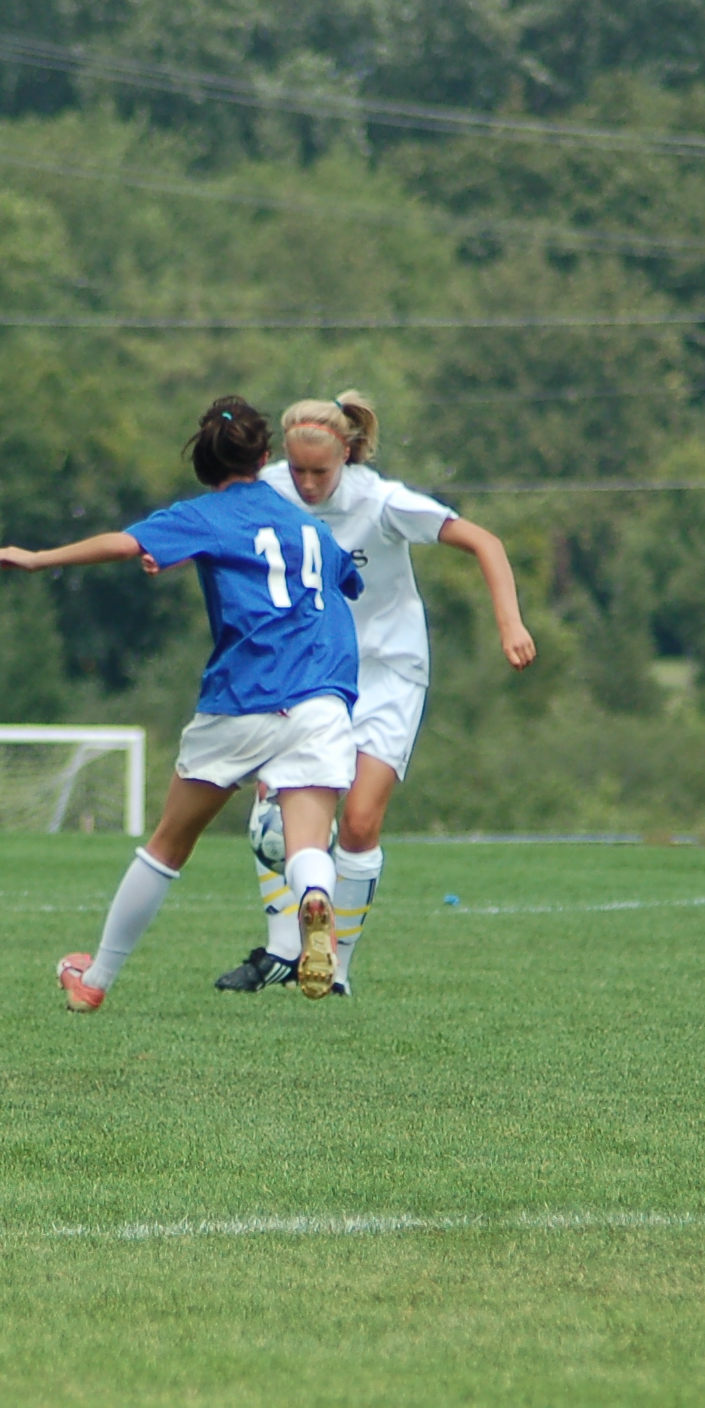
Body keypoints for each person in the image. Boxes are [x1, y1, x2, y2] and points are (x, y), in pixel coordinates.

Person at [0, 396, 363, 1010]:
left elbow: (122, 543)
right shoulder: (309, 526)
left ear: (203, 462)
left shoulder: (204, 515)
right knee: (308, 845)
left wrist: (38, 558)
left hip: (247, 695)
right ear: (266, 457)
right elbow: (345, 579)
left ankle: (95, 981)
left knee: (167, 845)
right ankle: (315, 901)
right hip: (323, 694)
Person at [215, 392, 536, 996]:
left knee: (359, 822)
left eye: (321, 472)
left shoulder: (384, 502)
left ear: (346, 455)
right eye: (298, 469)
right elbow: (213, 529)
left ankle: (335, 969)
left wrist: (510, 623)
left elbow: (485, 542)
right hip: (310, 670)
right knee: (277, 811)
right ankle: (283, 951)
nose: (308, 484)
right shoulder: (268, 490)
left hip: (388, 671)